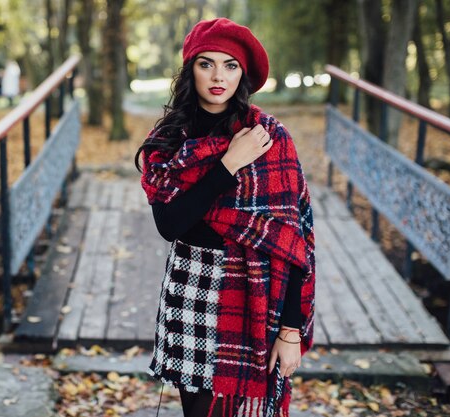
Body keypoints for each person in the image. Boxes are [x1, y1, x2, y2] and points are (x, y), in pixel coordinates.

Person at [135, 18, 316, 417]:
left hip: (255, 294)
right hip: (190, 288)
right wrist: (228, 163)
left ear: (243, 75)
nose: (218, 76)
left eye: (230, 65)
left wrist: (290, 331)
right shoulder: (169, 139)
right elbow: (170, 225)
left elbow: (291, 241)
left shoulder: (269, 137)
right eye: (207, 64)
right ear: (190, 70)